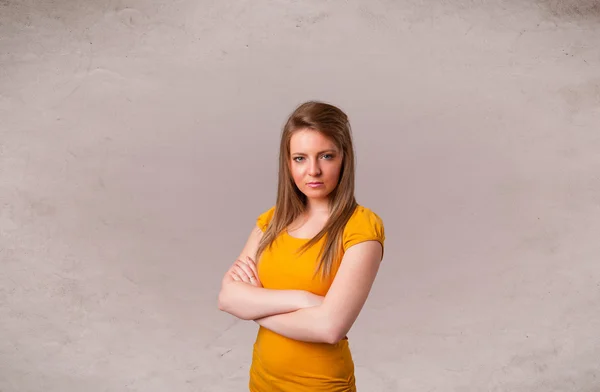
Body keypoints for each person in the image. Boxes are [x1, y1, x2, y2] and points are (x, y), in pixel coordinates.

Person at [217, 101, 386, 391]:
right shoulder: (270, 222)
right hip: (262, 382)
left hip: (322, 386)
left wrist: (253, 306)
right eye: (300, 158)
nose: (313, 171)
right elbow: (227, 298)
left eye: (326, 156)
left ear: (344, 158)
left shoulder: (361, 227)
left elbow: (329, 328)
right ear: (287, 162)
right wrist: (303, 299)